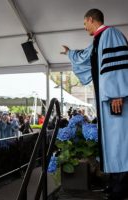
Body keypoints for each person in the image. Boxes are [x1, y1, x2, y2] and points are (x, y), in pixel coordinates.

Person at [61, 8, 128, 199]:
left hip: (115, 99)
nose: (84, 28)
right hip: (106, 102)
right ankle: (115, 182)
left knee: (120, 141)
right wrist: (70, 54)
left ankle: (122, 186)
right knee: (112, 143)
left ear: (91, 19)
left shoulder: (111, 34)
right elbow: (84, 58)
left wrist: (117, 94)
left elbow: (118, 64)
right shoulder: (98, 40)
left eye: (84, 23)